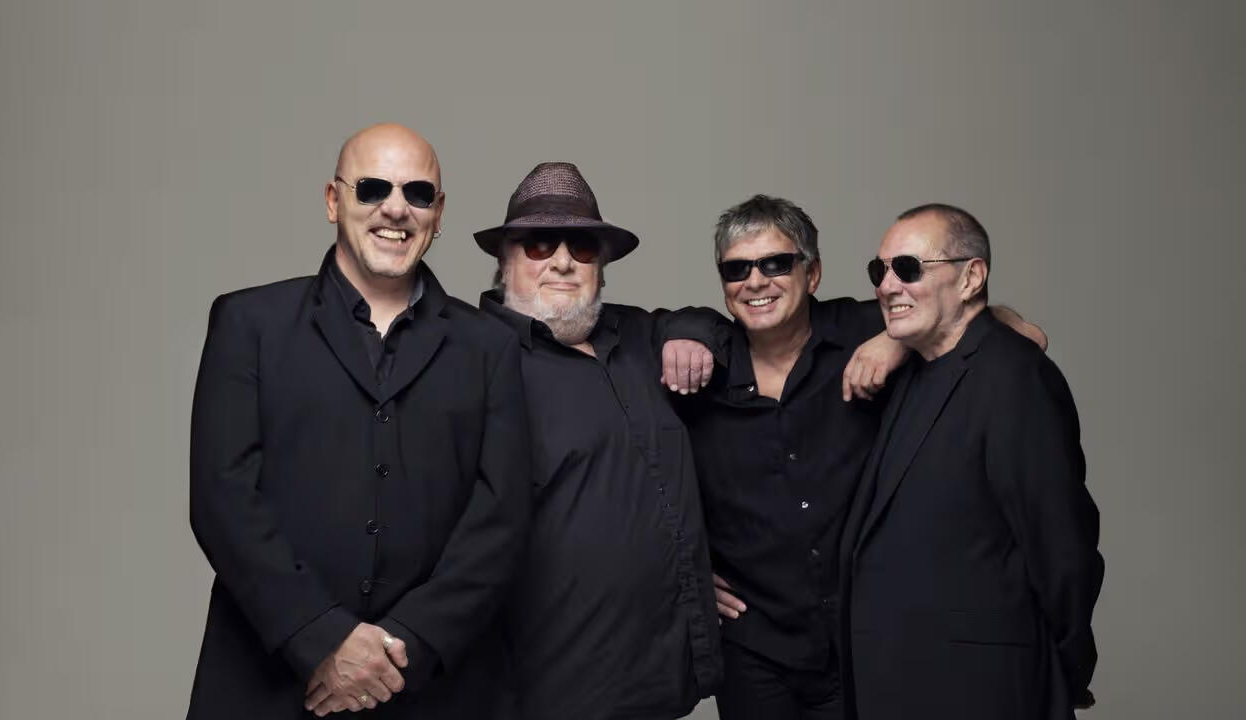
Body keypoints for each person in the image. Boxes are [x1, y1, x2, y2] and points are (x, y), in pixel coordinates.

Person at [187, 123, 531, 719]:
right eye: (372, 188)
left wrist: (401, 650)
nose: (396, 209)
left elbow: (501, 517)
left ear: (438, 214)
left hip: (436, 689)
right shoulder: (249, 324)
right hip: (269, 683)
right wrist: (322, 638)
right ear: (332, 200)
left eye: (418, 193)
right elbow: (223, 499)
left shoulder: (489, 347)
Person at [674, 195, 1048, 720]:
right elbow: (630, 472)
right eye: (737, 269)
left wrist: (896, 341)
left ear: (812, 273)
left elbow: (1004, 326)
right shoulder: (697, 371)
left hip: (863, 644)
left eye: (776, 264)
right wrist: (686, 572)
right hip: (754, 649)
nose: (755, 282)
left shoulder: (867, 326)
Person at [474, 162, 723, 720]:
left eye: (582, 246)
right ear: (505, 261)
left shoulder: (639, 336)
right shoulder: (473, 359)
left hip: (662, 675)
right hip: (554, 686)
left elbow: (709, 322)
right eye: (539, 244)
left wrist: (690, 334)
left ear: (602, 268)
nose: (563, 261)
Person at [839, 203, 1103, 719]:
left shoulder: (1015, 376)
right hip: (902, 684)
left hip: (983, 688)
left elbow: (1061, 546)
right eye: (879, 270)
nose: (887, 286)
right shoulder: (914, 368)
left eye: (908, 268)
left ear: (971, 278)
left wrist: (1063, 669)